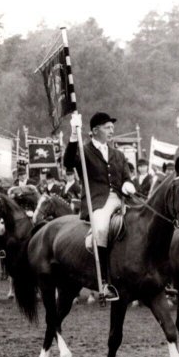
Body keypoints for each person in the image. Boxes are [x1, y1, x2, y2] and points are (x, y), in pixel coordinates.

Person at [64, 112, 137, 301]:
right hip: (98, 201)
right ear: (95, 130)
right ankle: (104, 282)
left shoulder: (118, 154)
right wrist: (73, 135)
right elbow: (68, 162)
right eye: (107, 127)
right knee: (102, 228)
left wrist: (128, 184)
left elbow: (126, 177)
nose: (111, 131)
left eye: (112, 128)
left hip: (121, 199)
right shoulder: (84, 151)